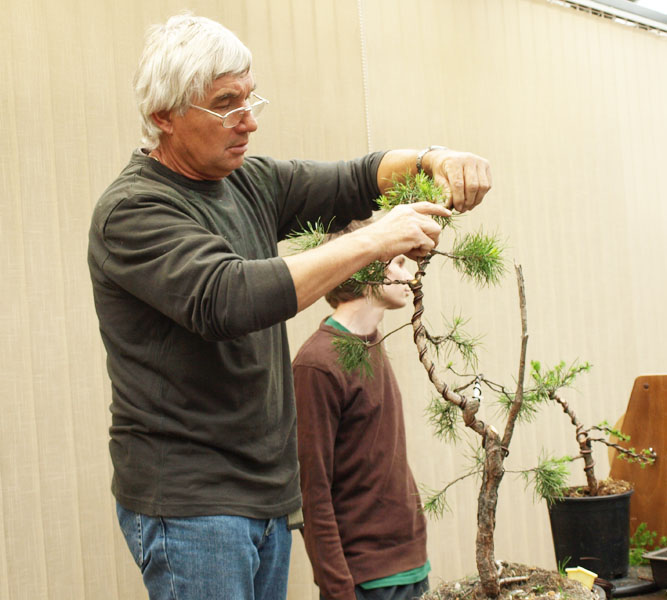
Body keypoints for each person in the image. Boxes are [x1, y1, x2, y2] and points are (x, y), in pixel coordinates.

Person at [87, 11, 491, 600]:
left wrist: (433, 159)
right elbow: (228, 298)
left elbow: (356, 179)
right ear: (164, 116)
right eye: (226, 105)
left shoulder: (247, 183)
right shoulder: (134, 210)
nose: (249, 120)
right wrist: (374, 242)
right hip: (193, 504)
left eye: (250, 98)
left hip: (266, 498)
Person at [293, 225, 429, 600]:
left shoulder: (372, 342)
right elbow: (311, 490)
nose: (409, 275)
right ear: (365, 266)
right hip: (365, 580)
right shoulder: (318, 363)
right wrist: (338, 587)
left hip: (411, 566)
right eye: (397, 262)